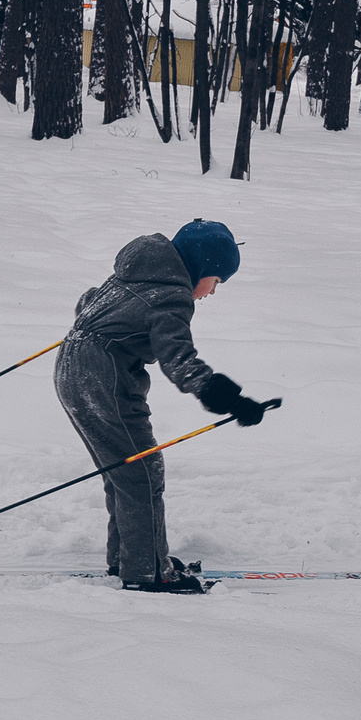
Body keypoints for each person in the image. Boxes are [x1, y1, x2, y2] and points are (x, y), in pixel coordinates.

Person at [56, 218, 269, 594]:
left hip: (76, 367)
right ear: (202, 268)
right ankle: (148, 571)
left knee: (124, 469)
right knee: (140, 471)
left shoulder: (136, 273)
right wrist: (228, 398)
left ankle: (131, 557)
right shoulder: (170, 294)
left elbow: (88, 300)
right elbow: (177, 356)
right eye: (217, 281)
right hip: (104, 377)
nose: (212, 292)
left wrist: (97, 330)